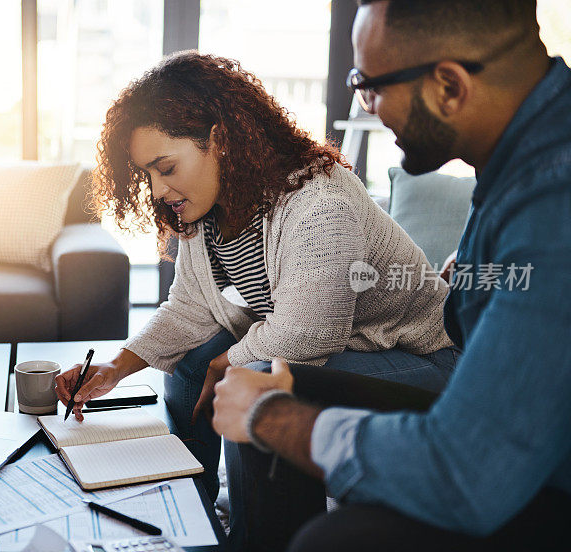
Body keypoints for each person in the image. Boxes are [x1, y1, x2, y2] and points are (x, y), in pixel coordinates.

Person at [212, 0, 571, 550]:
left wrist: (272, 417)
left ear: (448, 86)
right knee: (263, 374)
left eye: (369, 85)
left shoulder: (553, 196)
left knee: (330, 535)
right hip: (506, 414)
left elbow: (467, 472)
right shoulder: (520, 147)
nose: (369, 106)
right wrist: (481, 278)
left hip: (534, 469)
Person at [55, 51, 458, 506]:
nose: (157, 191)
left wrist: (223, 365)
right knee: (190, 361)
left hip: (424, 360)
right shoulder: (204, 211)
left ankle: (255, 537)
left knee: (257, 377)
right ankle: (194, 508)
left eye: (166, 169)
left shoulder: (319, 200)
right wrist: (116, 368)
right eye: (147, 174)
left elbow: (308, 336)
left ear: (220, 139)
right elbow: (190, 308)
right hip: (347, 350)